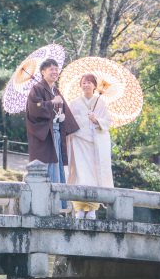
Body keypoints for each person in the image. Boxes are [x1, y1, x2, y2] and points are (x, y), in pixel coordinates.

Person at [26, 59, 79, 192]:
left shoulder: (55, 90)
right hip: (44, 135)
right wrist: (51, 103)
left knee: (57, 165)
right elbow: (34, 110)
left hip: (56, 133)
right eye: (51, 69)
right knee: (45, 166)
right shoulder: (36, 89)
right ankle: (42, 201)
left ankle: (56, 205)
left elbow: (65, 111)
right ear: (43, 72)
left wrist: (63, 118)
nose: (55, 72)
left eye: (56, 69)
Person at [67, 73, 113, 219]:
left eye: (89, 82)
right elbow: (69, 123)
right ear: (80, 85)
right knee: (80, 175)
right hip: (79, 142)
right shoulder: (74, 103)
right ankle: (79, 209)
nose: (86, 85)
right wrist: (82, 120)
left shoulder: (100, 103)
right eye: (83, 83)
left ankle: (92, 209)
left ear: (95, 85)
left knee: (94, 176)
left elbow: (107, 122)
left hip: (94, 145)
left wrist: (96, 120)